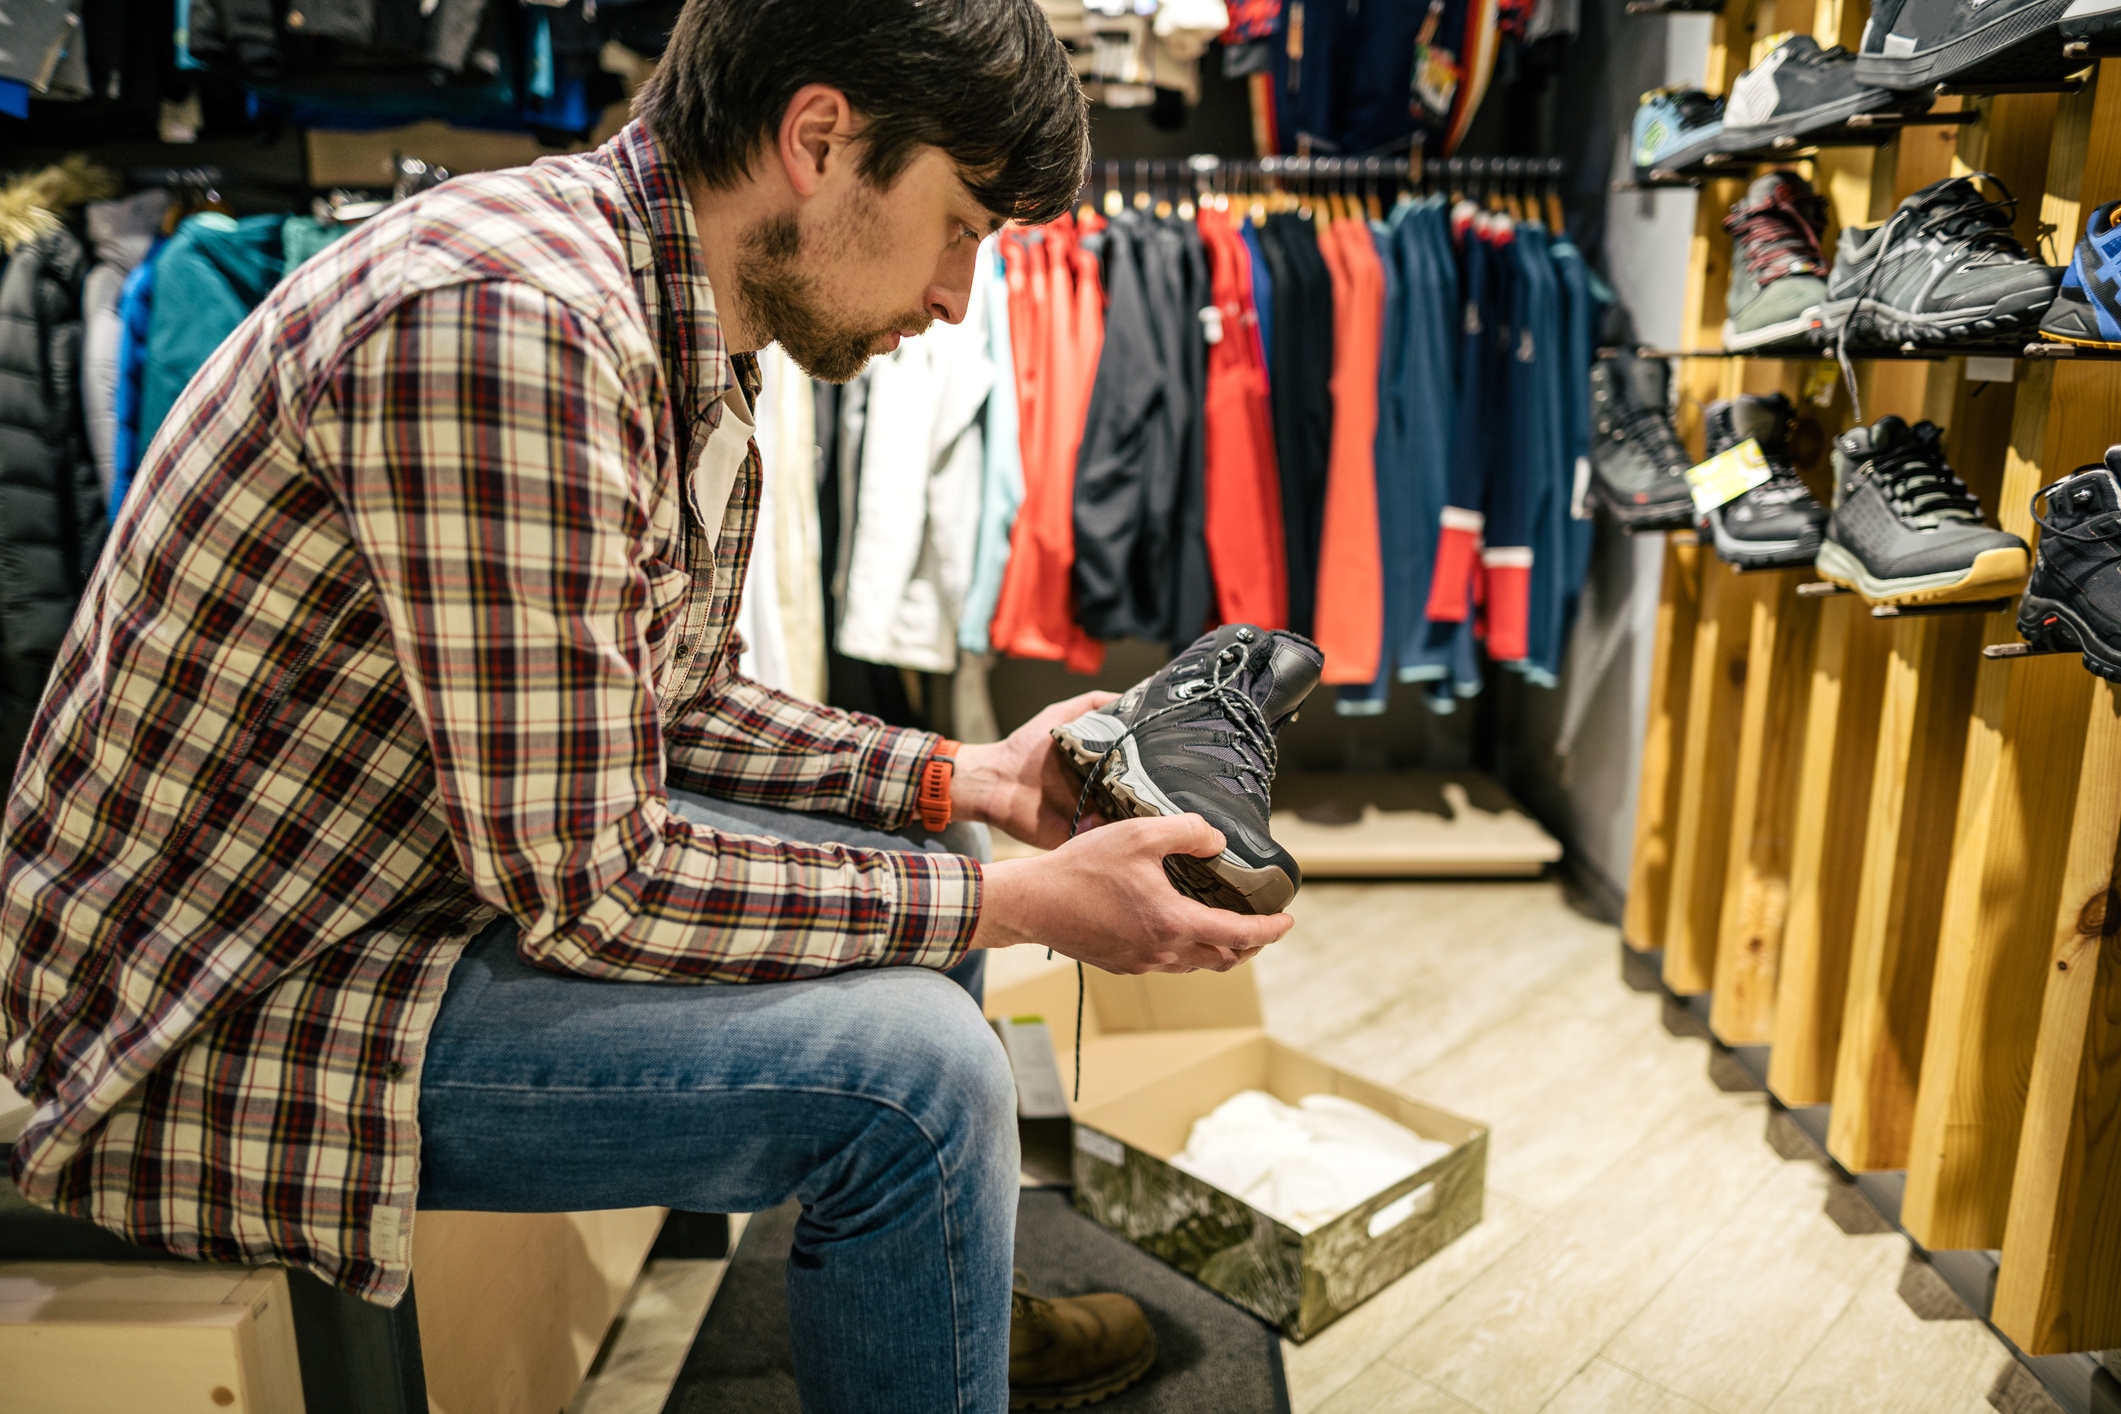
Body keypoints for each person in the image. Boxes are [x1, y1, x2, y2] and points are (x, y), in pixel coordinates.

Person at [0, 1, 1293, 1410]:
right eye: (961, 227)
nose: (954, 299)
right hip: (218, 1003)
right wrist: (1037, 905)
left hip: (390, 878)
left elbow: (667, 701)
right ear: (818, 140)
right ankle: (932, 1288)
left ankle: (939, 1311)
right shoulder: (515, 325)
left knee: (932, 866)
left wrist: (967, 779)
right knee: (918, 1078)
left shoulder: (650, 298)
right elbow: (596, 883)